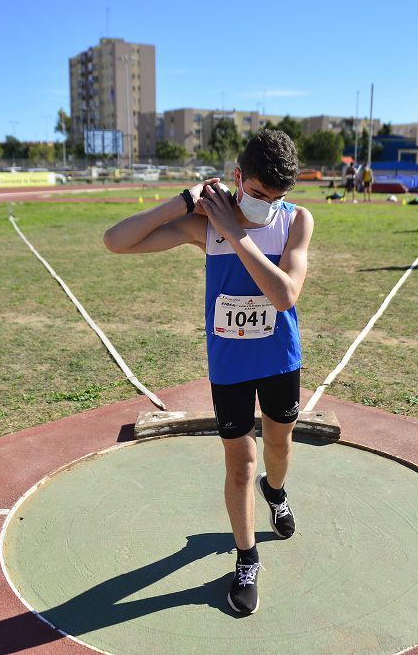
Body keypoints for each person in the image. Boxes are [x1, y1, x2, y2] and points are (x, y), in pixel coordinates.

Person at [102, 129, 314, 615]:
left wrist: (237, 233)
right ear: (238, 178)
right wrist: (183, 202)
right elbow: (116, 241)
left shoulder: (296, 221)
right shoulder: (206, 224)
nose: (268, 205)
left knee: (278, 447)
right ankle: (246, 557)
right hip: (231, 366)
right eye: (259, 194)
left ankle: (276, 493)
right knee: (240, 463)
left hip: (280, 359)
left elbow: (284, 296)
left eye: (277, 196)